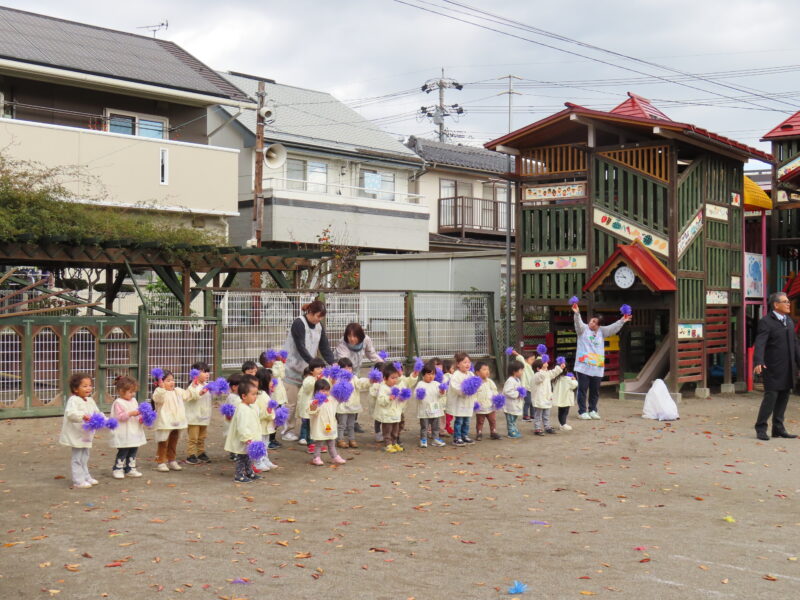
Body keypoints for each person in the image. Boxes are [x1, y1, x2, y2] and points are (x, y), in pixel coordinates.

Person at [281, 301, 336, 441]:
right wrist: (314, 363)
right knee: (291, 402)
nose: (319, 319)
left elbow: (324, 347)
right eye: (318, 316)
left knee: (308, 401)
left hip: (309, 371)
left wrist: (333, 363)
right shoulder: (299, 323)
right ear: (310, 312)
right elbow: (300, 346)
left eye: (321, 317)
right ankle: (287, 430)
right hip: (293, 367)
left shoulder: (319, 326)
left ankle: (307, 432)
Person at [572, 302, 631, 420]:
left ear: (598, 325)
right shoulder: (583, 330)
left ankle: (593, 410)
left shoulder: (602, 332)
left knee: (595, 391)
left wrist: (622, 320)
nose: (591, 323)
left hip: (597, 367)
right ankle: (582, 411)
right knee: (583, 390)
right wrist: (577, 313)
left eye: (594, 322)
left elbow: (612, 328)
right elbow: (578, 323)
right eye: (591, 320)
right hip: (583, 366)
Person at [753, 292, 800, 440]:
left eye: (788, 301)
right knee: (771, 397)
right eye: (785, 301)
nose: (788, 304)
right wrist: (758, 361)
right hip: (773, 367)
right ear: (776, 305)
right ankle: (761, 428)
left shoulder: (789, 321)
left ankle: (778, 428)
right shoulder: (766, 322)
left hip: (788, 366)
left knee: (784, 396)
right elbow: (760, 343)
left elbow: (795, 344)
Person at [335, 323, 380, 433]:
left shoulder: (366, 340)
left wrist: (382, 365)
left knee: (355, 396)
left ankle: (353, 422)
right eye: (349, 336)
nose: (352, 339)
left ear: (360, 335)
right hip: (342, 371)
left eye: (355, 336)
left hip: (355, 370)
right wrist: (347, 374)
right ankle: (342, 424)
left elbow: (371, 354)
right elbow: (343, 362)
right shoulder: (342, 343)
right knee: (342, 399)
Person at [59, 373, 101, 489]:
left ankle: (86, 476)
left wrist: (106, 421)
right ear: (75, 389)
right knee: (77, 458)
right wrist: (82, 416)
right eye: (84, 386)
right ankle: (78, 480)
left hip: (86, 434)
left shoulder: (90, 400)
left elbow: (97, 413)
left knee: (85, 456)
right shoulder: (73, 400)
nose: (88, 388)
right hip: (76, 434)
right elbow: (70, 414)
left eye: (90, 385)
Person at [109, 376, 146, 479]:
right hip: (124, 431)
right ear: (121, 391)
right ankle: (118, 468)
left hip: (134, 430)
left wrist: (141, 418)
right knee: (124, 450)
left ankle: (130, 468)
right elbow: (119, 417)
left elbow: (137, 413)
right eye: (130, 392)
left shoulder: (134, 401)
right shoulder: (118, 403)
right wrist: (130, 413)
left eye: (134, 391)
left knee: (133, 449)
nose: (133, 394)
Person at [224, 380, 261, 483]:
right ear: (244, 396)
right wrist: (247, 438)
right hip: (244, 439)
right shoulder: (242, 409)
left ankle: (249, 472)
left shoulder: (250, 407)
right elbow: (242, 426)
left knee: (248, 457)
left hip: (250, 438)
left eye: (256, 394)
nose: (255, 397)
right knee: (241, 457)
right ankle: (239, 475)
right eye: (253, 394)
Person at [151, 370, 188, 472]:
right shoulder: (159, 392)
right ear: (160, 382)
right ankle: (161, 462)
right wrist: (161, 388)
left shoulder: (178, 391)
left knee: (173, 442)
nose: (172, 382)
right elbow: (158, 398)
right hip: (165, 423)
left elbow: (188, 395)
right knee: (163, 442)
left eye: (172, 380)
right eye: (168, 380)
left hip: (176, 422)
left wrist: (196, 386)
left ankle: (172, 460)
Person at [308, 379, 347, 466]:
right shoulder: (313, 401)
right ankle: (316, 458)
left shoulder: (331, 399)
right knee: (319, 444)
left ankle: (335, 457)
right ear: (316, 391)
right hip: (319, 426)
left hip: (330, 425)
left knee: (331, 443)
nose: (325, 392)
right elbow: (311, 411)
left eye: (327, 390)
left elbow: (339, 399)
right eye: (323, 390)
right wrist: (315, 404)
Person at [335, 357, 371, 449]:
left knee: (351, 425)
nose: (347, 370)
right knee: (342, 425)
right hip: (342, 407)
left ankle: (352, 439)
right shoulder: (337, 379)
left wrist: (370, 381)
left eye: (349, 368)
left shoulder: (354, 378)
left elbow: (361, 384)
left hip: (353, 406)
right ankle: (340, 440)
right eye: (345, 368)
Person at [374, 364, 406, 453]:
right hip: (386, 414)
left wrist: (402, 398)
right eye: (392, 378)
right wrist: (389, 398)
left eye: (396, 378)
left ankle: (394, 443)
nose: (395, 380)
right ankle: (388, 444)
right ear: (385, 378)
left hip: (395, 413)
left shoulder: (396, 387)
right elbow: (381, 401)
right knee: (387, 430)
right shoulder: (383, 388)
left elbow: (398, 400)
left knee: (395, 430)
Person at [446, 352, 477, 446]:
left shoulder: (471, 374)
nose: (467, 364)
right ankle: (457, 437)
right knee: (459, 420)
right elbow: (455, 387)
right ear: (458, 364)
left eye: (469, 362)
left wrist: (473, 389)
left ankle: (465, 435)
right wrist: (464, 390)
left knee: (467, 420)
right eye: (465, 362)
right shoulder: (456, 375)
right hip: (459, 402)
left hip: (468, 402)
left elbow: (475, 384)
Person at [185, 362, 212, 464]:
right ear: (195, 373)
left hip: (204, 416)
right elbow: (192, 396)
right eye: (204, 372)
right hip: (194, 417)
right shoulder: (192, 386)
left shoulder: (206, 385)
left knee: (202, 437)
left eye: (208, 372)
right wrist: (201, 392)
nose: (207, 374)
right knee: (193, 438)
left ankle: (201, 453)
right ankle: (191, 454)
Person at [414, 364, 446, 448]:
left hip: (435, 409)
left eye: (433, 374)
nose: (431, 376)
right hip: (424, 410)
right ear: (423, 374)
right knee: (424, 426)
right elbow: (416, 395)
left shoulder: (436, 384)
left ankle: (435, 439)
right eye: (428, 374)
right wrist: (419, 395)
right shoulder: (420, 384)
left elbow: (440, 395)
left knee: (436, 426)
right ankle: (423, 440)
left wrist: (442, 392)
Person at [298, 359, 326, 452]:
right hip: (310, 406)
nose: (320, 370)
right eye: (318, 368)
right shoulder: (308, 379)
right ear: (311, 371)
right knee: (310, 426)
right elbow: (307, 387)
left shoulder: (323, 378)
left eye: (322, 368)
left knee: (317, 425)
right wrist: (316, 380)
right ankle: (311, 444)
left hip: (318, 406)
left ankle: (318, 444)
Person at [531, 357, 563, 435]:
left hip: (546, 398)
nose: (546, 364)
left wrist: (560, 367)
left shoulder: (546, 373)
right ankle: (538, 428)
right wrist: (544, 369)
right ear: (538, 368)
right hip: (539, 399)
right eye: (544, 364)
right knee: (538, 415)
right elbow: (541, 377)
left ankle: (547, 426)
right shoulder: (537, 375)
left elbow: (553, 373)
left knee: (546, 414)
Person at [473, 361, 501, 440]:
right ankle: (479, 433)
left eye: (488, 369)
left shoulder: (490, 382)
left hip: (491, 405)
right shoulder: (476, 383)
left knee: (493, 420)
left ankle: (493, 432)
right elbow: (474, 394)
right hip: (481, 407)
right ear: (477, 372)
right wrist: (475, 403)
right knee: (480, 421)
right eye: (484, 369)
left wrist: (496, 399)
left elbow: (494, 390)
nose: (487, 371)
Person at [502, 363, 525, 438]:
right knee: (510, 419)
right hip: (510, 405)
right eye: (521, 370)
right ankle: (511, 432)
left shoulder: (517, 380)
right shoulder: (510, 380)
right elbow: (507, 391)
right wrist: (518, 394)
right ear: (514, 371)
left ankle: (514, 429)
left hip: (515, 404)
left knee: (514, 418)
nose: (522, 372)